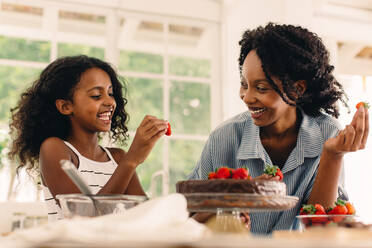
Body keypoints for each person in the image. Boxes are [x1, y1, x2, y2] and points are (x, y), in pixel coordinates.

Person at [188, 23, 369, 234]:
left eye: (261, 88)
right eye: (244, 84)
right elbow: (189, 220)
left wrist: (333, 155)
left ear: (297, 89)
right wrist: (238, 199)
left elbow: (321, 228)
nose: (247, 97)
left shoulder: (326, 133)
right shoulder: (224, 138)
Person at [8, 55, 168, 221]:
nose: (110, 102)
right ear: (66, 106)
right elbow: (85, 217)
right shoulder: (54, 149)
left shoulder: (118, 158)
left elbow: (147, 215)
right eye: (96, 96)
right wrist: (132, 159)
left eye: (111, 93)